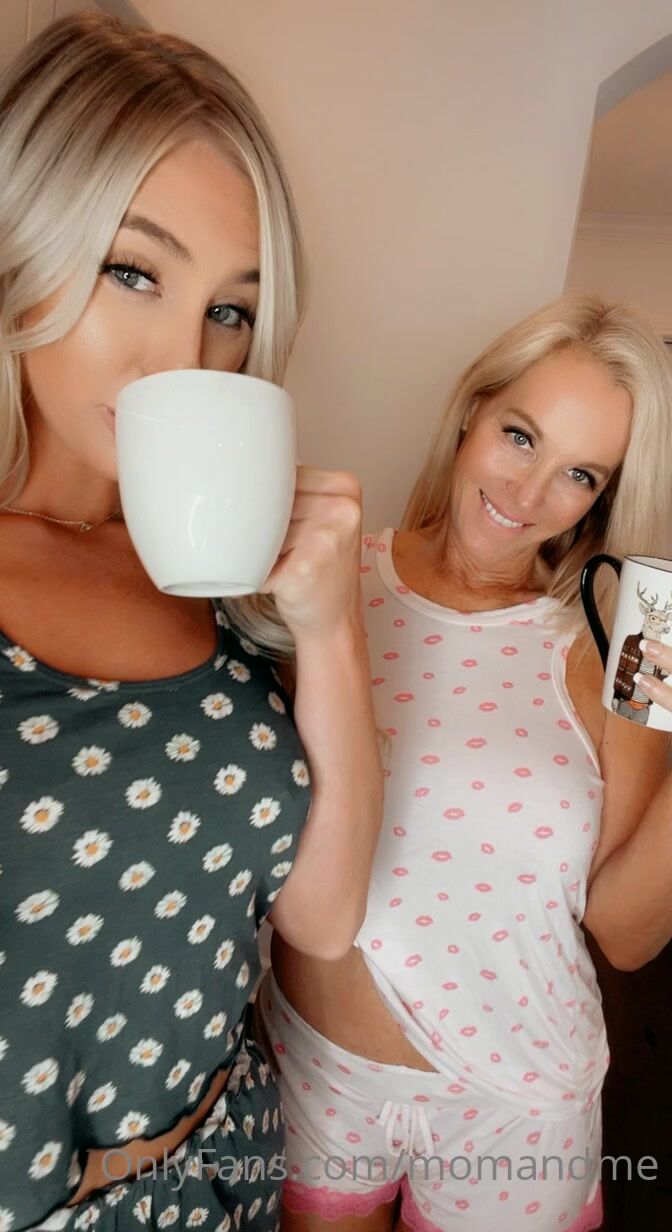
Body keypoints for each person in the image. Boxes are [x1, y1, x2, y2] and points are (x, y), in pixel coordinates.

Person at [0, 13, 383, 1232]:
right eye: (133, 271)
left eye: (231, 309)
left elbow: (321, 916)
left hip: (233, 1170)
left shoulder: (220, 573)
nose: (187, 353)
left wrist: (329, 631)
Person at [261, 295, 672, 1232]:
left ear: (603, 497)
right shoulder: (325, 573)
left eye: (579, 474)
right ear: (472, 410)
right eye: (520, 436)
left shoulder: (644, 639)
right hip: (323, 1071)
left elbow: (625, 932)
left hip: (518, 1103)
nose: (527, 495)